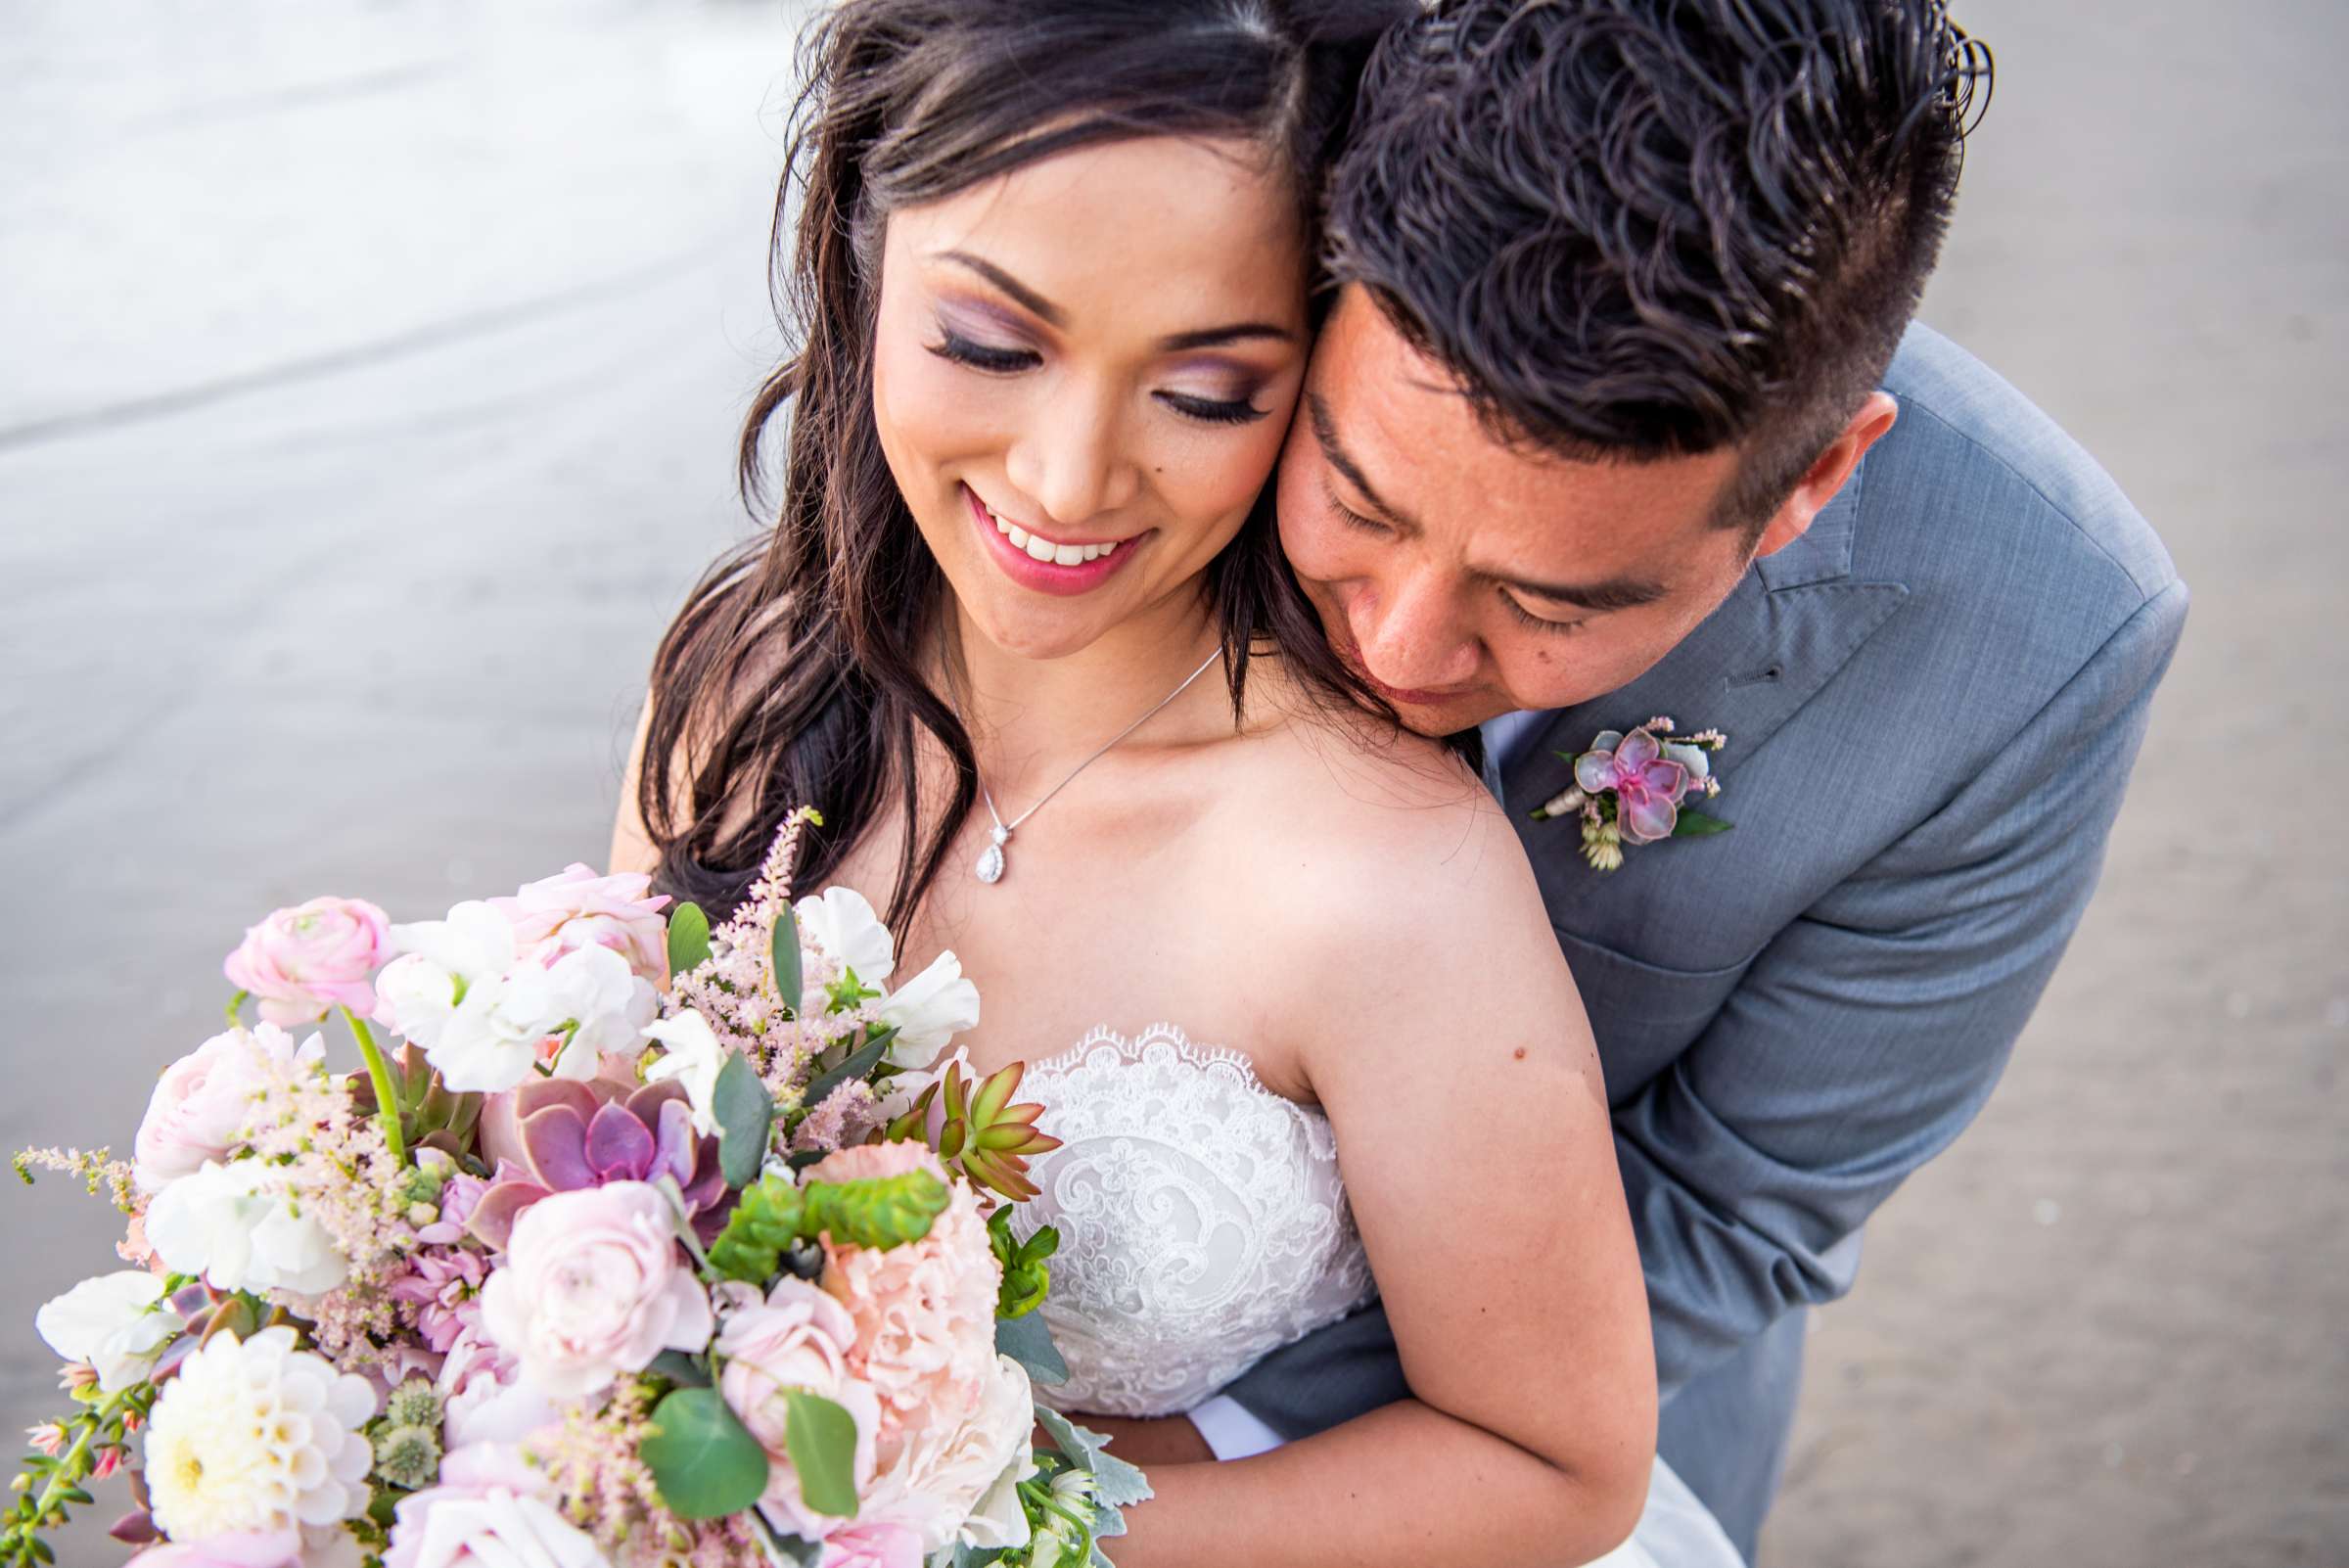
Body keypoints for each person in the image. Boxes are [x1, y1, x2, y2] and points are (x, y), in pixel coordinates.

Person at [610, 1, 1734, 1564]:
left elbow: (1553, 1462)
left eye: (1205, 392)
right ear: (866, 250)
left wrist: (987, 1543)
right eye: (991, 344)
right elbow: (598, 1167)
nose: (1069, 478)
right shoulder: (740, 686)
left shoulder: (1380, 875)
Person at [1157, 2, 2188, 1558]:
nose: (1403, 639)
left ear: (1817, 480)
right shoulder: (1184, 245)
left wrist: (1153, 1465)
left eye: (1555, 603)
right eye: (1358, 497)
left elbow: (1732, 1206)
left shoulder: (2042, 639)